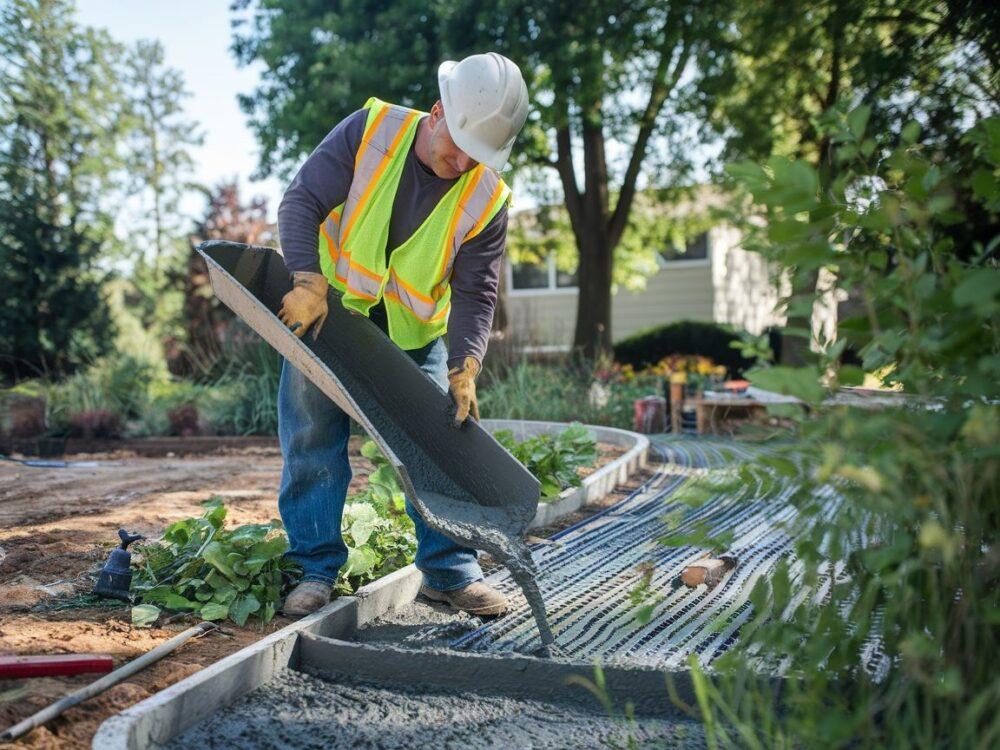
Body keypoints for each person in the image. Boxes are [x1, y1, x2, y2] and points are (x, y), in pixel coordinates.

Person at [274, 53, 529, 617]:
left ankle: (449, 572)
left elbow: (476, 292)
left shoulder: (488, 197)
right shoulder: (372, 131)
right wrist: (306, 279)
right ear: (437, 112)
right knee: (312, 441)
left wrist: (465, 364)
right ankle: (312, 570)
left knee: (442, 441)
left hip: (416, 335)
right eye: (457, 143)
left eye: (478, 155)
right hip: (328, 318)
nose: (462, 161)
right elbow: (302, 200)